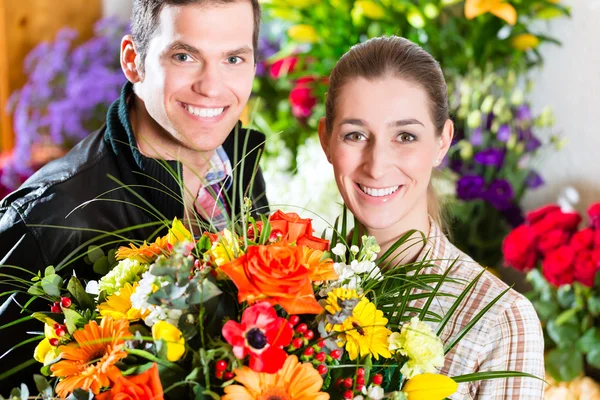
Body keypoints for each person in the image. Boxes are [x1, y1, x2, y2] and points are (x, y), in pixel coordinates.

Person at [0, 0, 268, 390]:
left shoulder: (242, 166)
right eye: (183, 56)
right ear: (133, 61)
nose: (212, 87)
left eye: (233, 59)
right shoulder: (46, 218)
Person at [318, 36, 545, 399]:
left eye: (405, 136)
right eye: (355, 135)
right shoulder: (294, 283)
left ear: (443, 141)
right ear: (326, 140)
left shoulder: (500, 319)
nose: (376, 166)